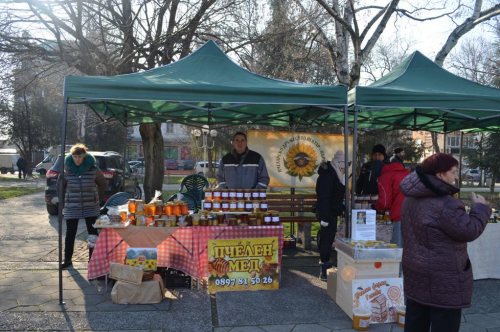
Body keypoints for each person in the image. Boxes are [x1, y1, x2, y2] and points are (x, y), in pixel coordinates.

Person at [399, 153, 490, 332]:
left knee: (415, 322)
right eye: (454, 172)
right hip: (442, 277)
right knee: (444, 324)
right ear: (440, 174)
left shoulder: (410, 198)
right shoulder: (445, 204)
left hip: (415, 271)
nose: (456, 177)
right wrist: (480, 207)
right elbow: (469, 230)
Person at [57, 143, 106, 269]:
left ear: (84, 157)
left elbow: (102, 184)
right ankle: (67, 259)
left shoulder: (93, 169)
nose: (77, 159)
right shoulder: (67, 170)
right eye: (75, 157)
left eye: (80, 157)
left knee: (92, 234)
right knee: (70, 233)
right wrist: (63, 204)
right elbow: (60, 188)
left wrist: (98, 198)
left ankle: (92, 260)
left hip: (90, 206)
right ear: (71, 157)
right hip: (72, 207)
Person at [316, 150, 345, 281]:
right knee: (327, 241)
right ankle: (324, 268)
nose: (344, 168)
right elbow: (325, 198)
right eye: (343, 165)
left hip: (330, 212)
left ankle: (325, 265)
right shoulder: (328, 176)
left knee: (327, 239)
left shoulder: (333, 174)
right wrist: (326, 217)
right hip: (327, 213)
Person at [373, 161, 410, 248]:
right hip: (415, 213)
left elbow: (384, 203)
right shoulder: (408, 173)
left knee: (398, 246)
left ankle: (399, 262)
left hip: (399, 213)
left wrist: (374, 206)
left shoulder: (385, 177)